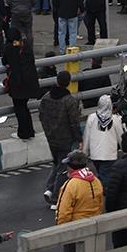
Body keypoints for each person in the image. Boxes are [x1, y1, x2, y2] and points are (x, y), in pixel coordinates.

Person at [39, 70, 83, 204]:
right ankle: (55, 197)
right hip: (66, 138)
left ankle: (49, 188)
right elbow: (74, 122)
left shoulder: (46, 97)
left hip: (51, 137)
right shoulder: (70, 101)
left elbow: (41, 116)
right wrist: (79, 138)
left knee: (57, 164)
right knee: (63, 169)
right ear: (68, 83)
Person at [4, 28, 39, 140]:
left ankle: (23, 133)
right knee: (24, 107)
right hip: (30, 81)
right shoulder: (25, 45)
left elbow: (5, 61)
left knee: (19, 108)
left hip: (18, 83)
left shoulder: (9, 47)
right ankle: (29, 131)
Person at [56, 149, 105, 225]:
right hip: (95, 223)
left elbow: (63, 213)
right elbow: (100, 203)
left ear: (70, 167)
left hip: (77, 225)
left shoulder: (70, 185)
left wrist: (61, 227)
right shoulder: (96, 180)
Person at [82, 93, 124, 180]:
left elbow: (87, 137)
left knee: (101, 174)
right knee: (105, 177)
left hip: (95, 155)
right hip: (110, 155)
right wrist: (125, 151)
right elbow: (121, 137)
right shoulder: (116, 119)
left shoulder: (91, 117)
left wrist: (85, 152)